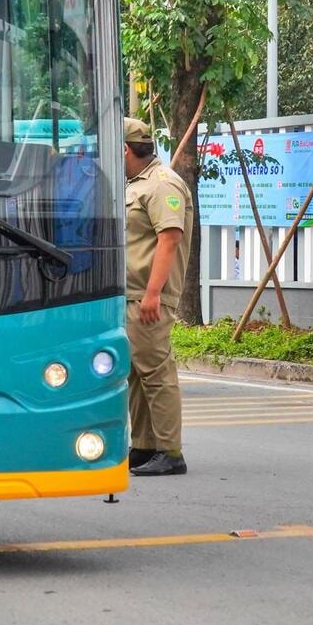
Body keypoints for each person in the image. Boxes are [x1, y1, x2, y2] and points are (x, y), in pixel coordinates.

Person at [122, 116, 193, 477]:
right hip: (132, 293)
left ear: (123, 150)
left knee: (156, 371)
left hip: (148, 296)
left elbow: (169, 239)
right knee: (137, 372)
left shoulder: (162, 184)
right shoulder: (135, 184)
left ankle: (169, 450)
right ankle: (145, 445)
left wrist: (152, 294)